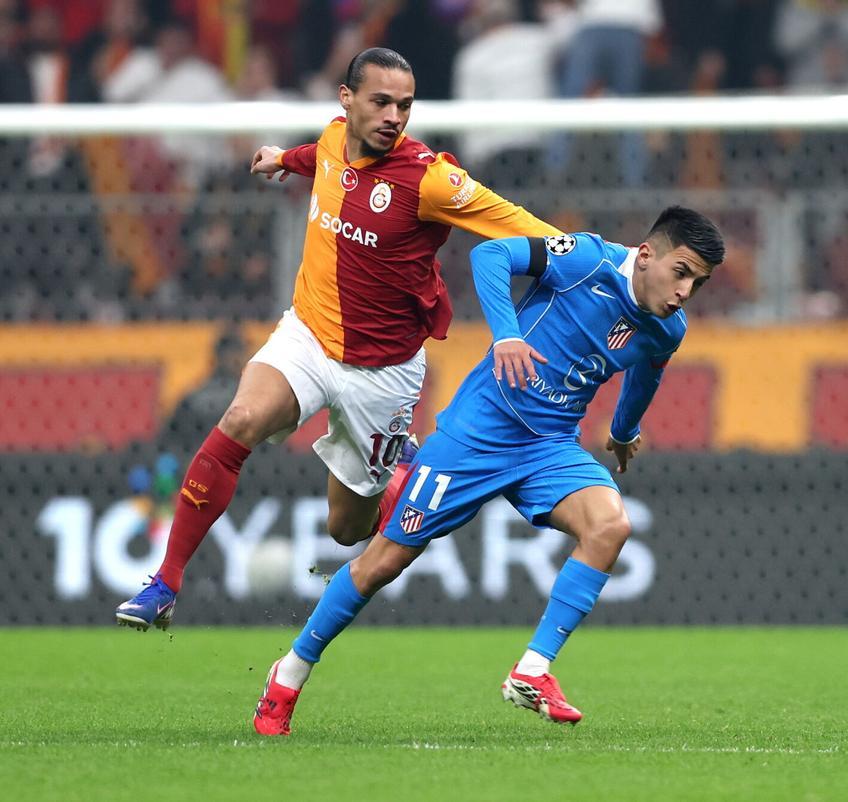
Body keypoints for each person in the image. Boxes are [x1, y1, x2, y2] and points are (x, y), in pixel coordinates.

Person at [115, 47, 560, 632]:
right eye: (380, 102)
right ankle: (165, 583)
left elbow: (516, 222)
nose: (393, 117)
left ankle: (399, 471)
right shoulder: (329, 139)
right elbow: (320, 157)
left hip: (382, 373)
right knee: (241, 418)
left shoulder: (430, 179)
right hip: (307, 333)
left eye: (404, 105)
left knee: (345, 529)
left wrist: (601, 261)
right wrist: (282, 159)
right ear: (346, 101)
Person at [251, 207, 724, 735]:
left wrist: (622, 429)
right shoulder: (587, 260)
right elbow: (491, 253)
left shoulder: (667, 329)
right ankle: (288, 674)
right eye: (681, 272)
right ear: (646, 255)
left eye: (697, 283)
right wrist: (506, 334)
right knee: (382, 563)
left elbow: (645, 374)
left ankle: (532, 670)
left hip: (550, 446)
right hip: (479, 433)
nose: (685, 291)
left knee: (610, 525)